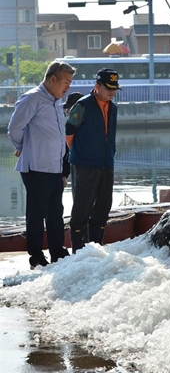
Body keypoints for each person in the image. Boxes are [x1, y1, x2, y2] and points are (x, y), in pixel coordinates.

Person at [7, 61, 75, 268]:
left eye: (70, 83)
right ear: (52, 79)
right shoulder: (32, 98)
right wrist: (24, 147)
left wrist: (63, 169)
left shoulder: (56, 101)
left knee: (56, 212)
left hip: (54, 168)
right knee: (36, 214)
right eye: (65, 82)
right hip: (36, 167)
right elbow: (14, 129)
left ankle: (58, 252)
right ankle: (36, 255)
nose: (67, 87)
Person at [66, 68, 120, 253]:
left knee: (103, 207)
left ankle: (97, 248)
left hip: (106, 163)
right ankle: (78, 251)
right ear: (97, 86)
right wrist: (81, 153)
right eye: (108, 88)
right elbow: (68, 132)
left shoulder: (113, 107)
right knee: (82, 208)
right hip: (85, 164)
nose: (111, 92)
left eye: (114, 88)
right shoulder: (83, 105)